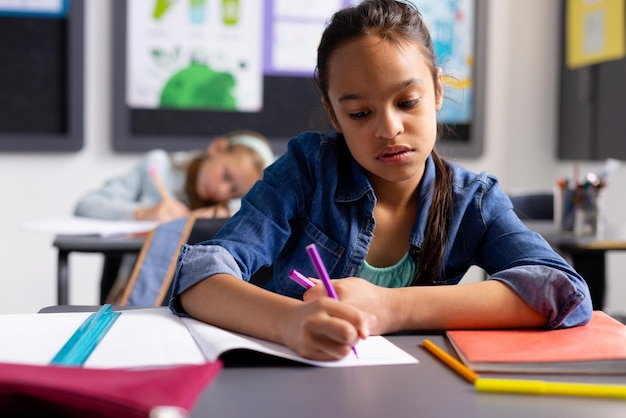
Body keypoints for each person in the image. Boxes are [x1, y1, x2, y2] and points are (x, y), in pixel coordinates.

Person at [170, 0, 593, 361]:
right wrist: (290, 323)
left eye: (407, 102)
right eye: (359, 113)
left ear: (438, 91)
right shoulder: (306, 171)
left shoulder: (472, 201)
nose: (389, 128)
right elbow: (200, 276)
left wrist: (390, 308)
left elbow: (561, 291)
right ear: (334, 114)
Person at [74, 130, 275, 222]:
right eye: (225, 175)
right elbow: (86, 205)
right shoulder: (158, 166)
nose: (222, 190)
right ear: (217, 148)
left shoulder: (233, 206)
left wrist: (222, 215)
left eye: (234, 191)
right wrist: (143, 213)